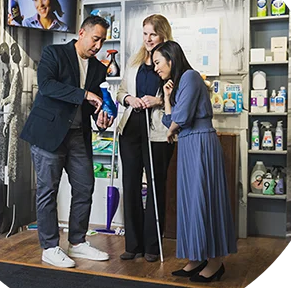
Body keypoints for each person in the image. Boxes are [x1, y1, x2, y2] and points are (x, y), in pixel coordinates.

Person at [19, 15, 114, 268]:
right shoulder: (54, 53)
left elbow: (93, 104)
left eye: (102, 41)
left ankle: (77, 242)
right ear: (82, 33)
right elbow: (47, 85)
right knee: (47, 191)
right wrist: (83, 93)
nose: (98, 46)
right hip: (48, 134)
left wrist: (101, 118)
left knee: (85, 187)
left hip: (78, 136)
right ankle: (49, 247)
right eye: (95, 39)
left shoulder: (97, 67)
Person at [151, 40, 237, 282]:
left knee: (204, 199)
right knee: (190, 201)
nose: (156, 67)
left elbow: (180, 118)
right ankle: (197, 258)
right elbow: (171, 122)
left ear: (171, 59)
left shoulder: (190, 76)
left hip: (200, 142)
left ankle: (216, 261)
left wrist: (172, 126)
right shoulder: (178, 84)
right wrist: (167, 98)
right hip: (189, 143)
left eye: (158, 62)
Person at [116, 14, 175, 263]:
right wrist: (128, 99)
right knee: (130, 185)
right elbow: (120, 91)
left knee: (155, 186)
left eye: (153, 34)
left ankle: (152, 245)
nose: (148, 39)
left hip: (158, 133)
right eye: (145, 34)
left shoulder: (171, 61)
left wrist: (159, 100)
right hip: (130, 129)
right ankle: (133, 244)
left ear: (163, 35)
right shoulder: (134, 62)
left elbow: (180, 94)